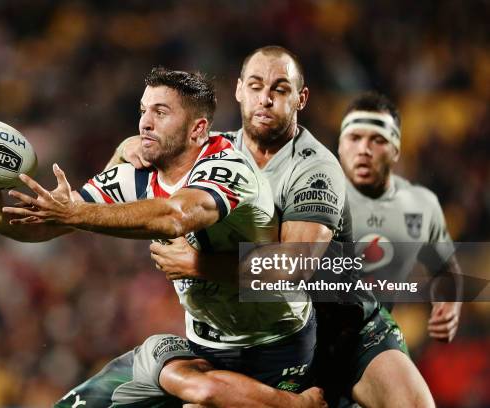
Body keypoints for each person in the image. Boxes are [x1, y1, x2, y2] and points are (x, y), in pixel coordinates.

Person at [0, 67, 325, 407]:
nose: (145, 122)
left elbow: (175, 216)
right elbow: (54, 223)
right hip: (205, 345)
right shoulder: (135, 175)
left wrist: (75, 212)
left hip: (276, 345)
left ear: (197, 129)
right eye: (143, 110)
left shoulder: (228, 167)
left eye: (160, 113)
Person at [118, 47, 436, 407]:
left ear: (301, 99)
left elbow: (294, 267)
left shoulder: (315, 168)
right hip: (262, 342)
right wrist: (132, 147)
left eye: (279, 89)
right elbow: (150, 148)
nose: (265, 99)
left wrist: (197, 265)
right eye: (255, 86)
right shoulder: (212, 155)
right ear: (239, 91)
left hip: (343, 326)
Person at [338, 91, 462, 342]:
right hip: (308, 339)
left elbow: (444, 269)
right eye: (354, 138)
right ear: (340, 147)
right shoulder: (312, 197)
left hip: (372, 339)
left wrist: (449, 306)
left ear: (396, 150)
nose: (364, 149)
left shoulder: (421, 204)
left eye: (377, 140)